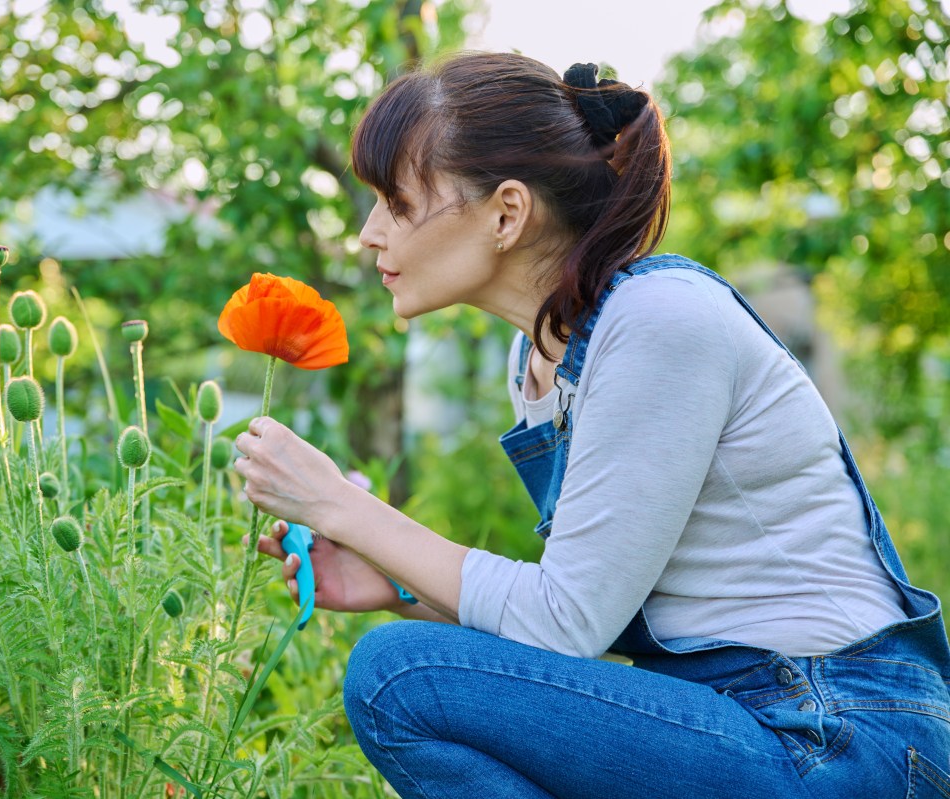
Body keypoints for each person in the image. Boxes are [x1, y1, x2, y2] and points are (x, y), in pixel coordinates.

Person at [232, 51, 950, 798]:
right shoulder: (541, 361)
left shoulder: (658, 320)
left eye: (396, 199)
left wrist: (337, 502)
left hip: (837, 732)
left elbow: (564, 623)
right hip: (741, 717)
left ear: (507, 212)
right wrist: (399, 585)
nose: (369, 234)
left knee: (399, 674)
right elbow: (587, 611)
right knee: (407, 667)